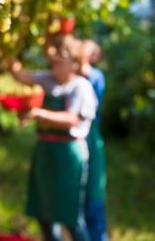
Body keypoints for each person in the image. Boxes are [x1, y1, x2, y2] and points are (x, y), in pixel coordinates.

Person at [10, 35, 97, 241]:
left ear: (75, 63)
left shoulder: (80, 87)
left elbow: (72, 119)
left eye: (63, 55)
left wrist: (41, 114)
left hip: (68, 155)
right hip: (45, 152)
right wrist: (10, 53)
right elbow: (21, 76)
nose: (56, 58)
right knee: (44, 213)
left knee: (71, 217)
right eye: (56, 54)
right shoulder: (47, 78)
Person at [80, 40, 108, 241]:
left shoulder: (96, 76)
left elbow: (84, 71)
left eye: (87, 49)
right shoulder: (72, 74)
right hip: (77, 138)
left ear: (95, 57)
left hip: (91, 138)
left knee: (93, 194)